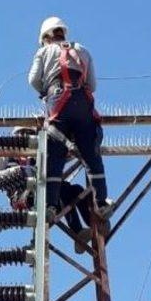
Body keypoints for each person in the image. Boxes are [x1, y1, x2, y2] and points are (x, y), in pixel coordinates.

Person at [28, 16, 112, 222]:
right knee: (91, 155)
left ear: (46, 36)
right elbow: (91, 84)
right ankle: (101, 202)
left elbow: (33, 80)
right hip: (83, 105)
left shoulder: (44, 51)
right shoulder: (82, 49)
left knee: (55, 154)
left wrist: (45, 91)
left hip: (58, 103)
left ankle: (51, 205)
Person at [0, 128, 93, 252]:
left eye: (29, 135)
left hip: (48, 196)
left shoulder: (40, 153)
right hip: (24, 197)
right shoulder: (7, 156)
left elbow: (64, 156)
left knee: (75, 191)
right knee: (60, 190)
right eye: (22, 135)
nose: (25, 137)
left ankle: (92, 224)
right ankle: (79, 231)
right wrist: (17, 172)